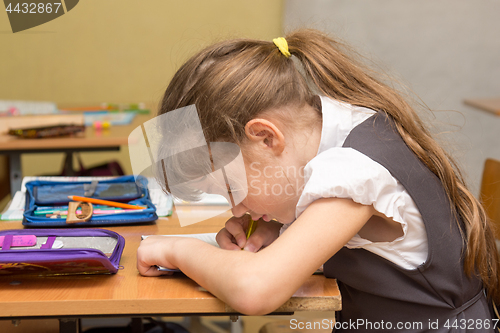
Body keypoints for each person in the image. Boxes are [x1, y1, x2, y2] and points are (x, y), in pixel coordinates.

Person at [137, 29, 500, 331]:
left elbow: (255, 290)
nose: (236, 209)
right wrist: (284, 231)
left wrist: (177, 250)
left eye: (232, 189)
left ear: (266, 137)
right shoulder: (346, 122)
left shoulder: (350, 171)